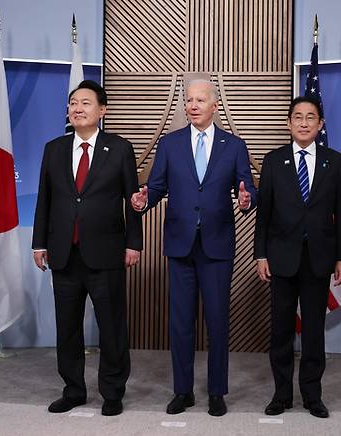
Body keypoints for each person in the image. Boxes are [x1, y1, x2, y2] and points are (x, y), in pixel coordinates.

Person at [131, 79, 257, 416]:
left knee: (217, 322)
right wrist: (145, 199)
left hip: (217, 245)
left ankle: (217, 392)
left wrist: (246, 200)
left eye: (200, 99)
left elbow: (248, 190)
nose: (193, 105)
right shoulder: (170, 144)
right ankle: (183, 391)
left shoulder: (234, 146)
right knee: (181, 323)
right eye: (188, 100)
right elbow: (156, 187)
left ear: (214, 106)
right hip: (180, 244)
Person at [32, 80, 142, 416]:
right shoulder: (54, 148)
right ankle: (73, 389)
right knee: (67, 327)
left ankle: (112, 392)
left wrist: (133, 244)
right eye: (73, 103)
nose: (78, 108)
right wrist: (39, 243)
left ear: (102, 110)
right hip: (64, 252)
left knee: (111, 326)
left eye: (85, 103)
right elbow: (44, 200)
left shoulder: (120, 148)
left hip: (106, 252)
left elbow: (132, 201)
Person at [254, 96, 341, 419]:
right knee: (281, 330)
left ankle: (312, 395)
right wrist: (260, 255)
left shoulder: (334, 161)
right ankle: (281, 394)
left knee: (313, 330)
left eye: (311, 117)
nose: (304, 122)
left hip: (320, 259)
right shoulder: (273, 161)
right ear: (288, 123)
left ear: (320, 124)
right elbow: (264, 215)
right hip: (281, 258)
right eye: (297, 117)